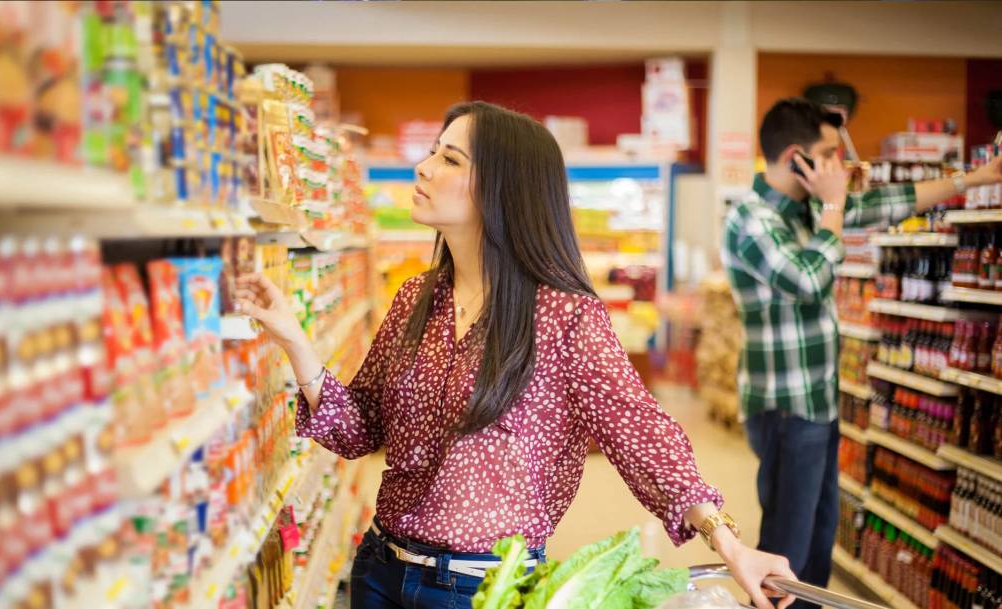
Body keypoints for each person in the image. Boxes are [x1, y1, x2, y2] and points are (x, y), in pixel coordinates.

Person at [237, 101, 797, 609]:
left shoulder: (565, 316)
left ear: (502, 189)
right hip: (380, 571)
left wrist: (728, 543)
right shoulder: (417, 297)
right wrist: (294, 339)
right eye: (433, 152)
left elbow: (641, 433)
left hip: (480, 589)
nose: (424, 168)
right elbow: (359, 430)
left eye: (450, 159)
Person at [720, 97, 1002, 609]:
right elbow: (810, 279)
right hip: (786, 410)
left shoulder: (806, 210)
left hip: (817, 405)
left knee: (819, 536)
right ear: (795, 159)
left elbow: (891, 202)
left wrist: (978, 177)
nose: (841, 167)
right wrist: (832, 204)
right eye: (830, 154)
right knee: (786, 551)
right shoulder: (752, 219)